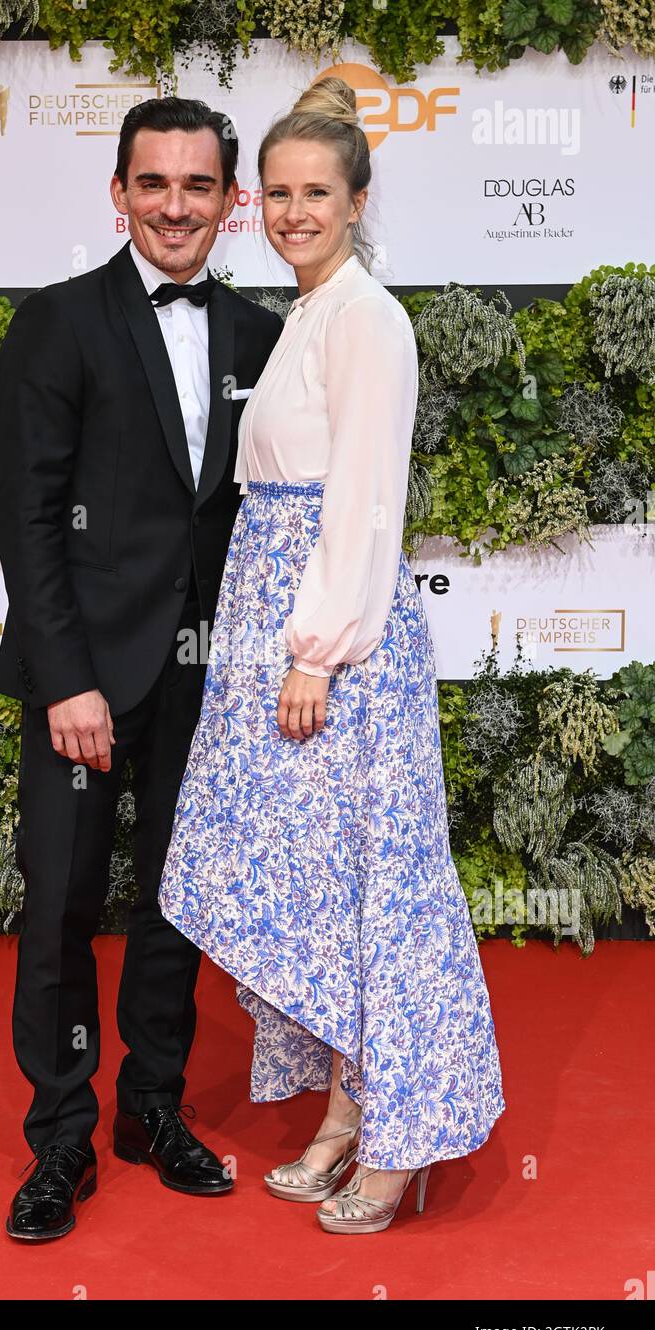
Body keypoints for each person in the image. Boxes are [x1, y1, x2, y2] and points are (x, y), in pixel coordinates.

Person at [158, 76, 506, 1235]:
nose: (293, 211)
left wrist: (312, 654)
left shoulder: (366, 318)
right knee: (321, 878)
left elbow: (359, 502)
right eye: (277, 193)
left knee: (375, 883)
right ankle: (348, 1112)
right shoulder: (308, 313)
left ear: (357, 200)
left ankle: (395, 1139)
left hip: (333, 648)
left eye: (316, 192)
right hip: (280, 633)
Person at [0, 96, 283, 1240]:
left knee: (179, 903)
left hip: (207, 678)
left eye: (196, 185)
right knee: (60, 907)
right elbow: (26, 518)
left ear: (227, 201)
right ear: (118, 193)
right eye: (152, 183)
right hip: (83, 674)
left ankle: (149, 1106)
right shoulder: (55, 324)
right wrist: (68, 680)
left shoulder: (261, 338)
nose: (173, 204)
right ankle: (60, 1133)